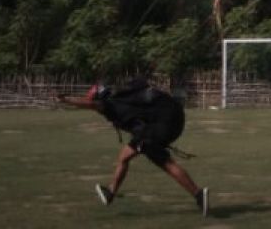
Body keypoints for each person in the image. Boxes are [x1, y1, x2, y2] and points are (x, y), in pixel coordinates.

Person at [57, 79, 209, 216]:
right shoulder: (123, 98)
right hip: (172, 119)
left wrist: (68, 100)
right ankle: (110, 192)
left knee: (166, 164)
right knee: (125, 157)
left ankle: (198, 194)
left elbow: (92, 104)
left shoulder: (109, 105)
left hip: (159, 126)